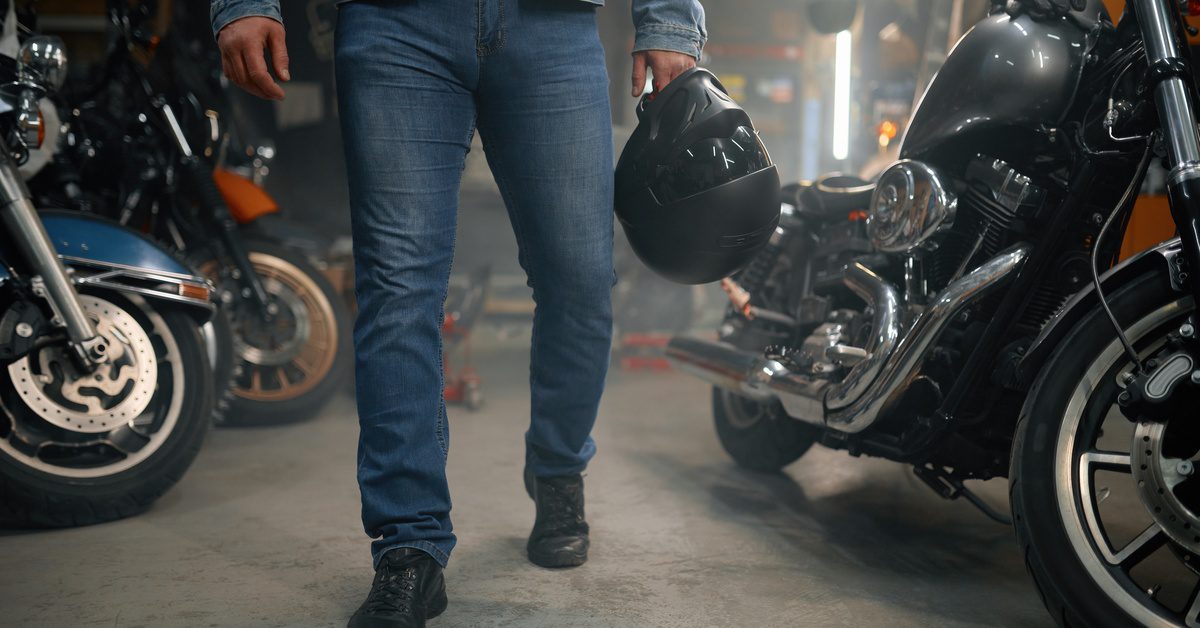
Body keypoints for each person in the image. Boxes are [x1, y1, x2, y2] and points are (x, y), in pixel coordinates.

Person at [210, 0, 705, 625]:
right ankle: (408, 546)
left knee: (578, 278)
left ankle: (557, 468)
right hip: (396, 24)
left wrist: (669, 21)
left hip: (551, 26)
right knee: (397, 287)